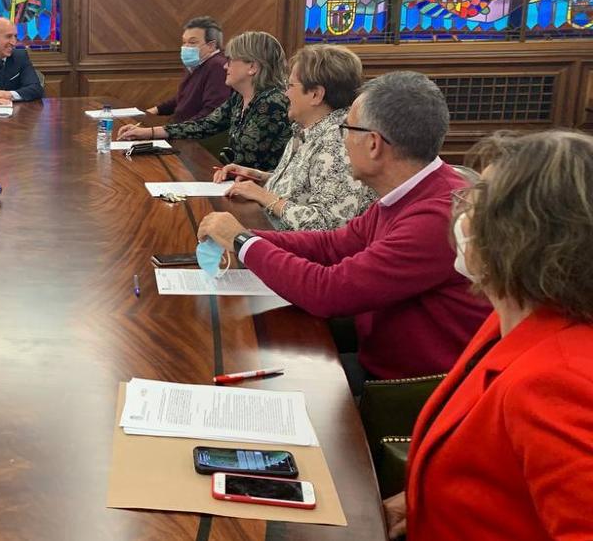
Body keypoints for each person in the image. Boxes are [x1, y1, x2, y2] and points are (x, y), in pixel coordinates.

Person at [198, 71, 491, 390]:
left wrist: (242, 242)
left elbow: (329, 291)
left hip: (411, 389)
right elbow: (334, 245)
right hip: (379, 355)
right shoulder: (410, 189)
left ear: (374, 144)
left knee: (251, 382)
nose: (342, 139)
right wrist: (246, 236)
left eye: (346, 129)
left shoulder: (436, 217)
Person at [383, 130, 593, 541]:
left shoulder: (560, 382)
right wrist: (427, 500)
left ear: (522, 235)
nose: (460, 219)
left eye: (475, 205)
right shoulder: (510, 319)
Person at [214, 44, 375, 230]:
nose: (285, 93)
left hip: (299, 252)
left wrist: (265, 197)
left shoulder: (339, 142)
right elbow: (305, 186)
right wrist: (260, 177)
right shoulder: (306, 127)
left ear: (316, 94)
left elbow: (329, 225)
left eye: (290, 86)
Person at [118, 31, 291, 172]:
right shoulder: (239, 97)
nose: (225, 66)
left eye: (230, 61)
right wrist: (149, 132)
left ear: (252, 67)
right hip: (239, 182)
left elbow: (253, 166)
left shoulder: (272, 104)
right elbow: (205, 125)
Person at [144, 15, 231, 122]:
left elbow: (211, 112)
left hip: (192, 135)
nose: (186, 47)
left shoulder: (218, 66)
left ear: (211, 46)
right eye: (184, 42)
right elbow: (183, 98)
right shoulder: (197, 62)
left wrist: (172, 131)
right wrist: (154, 111)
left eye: (192, 42)